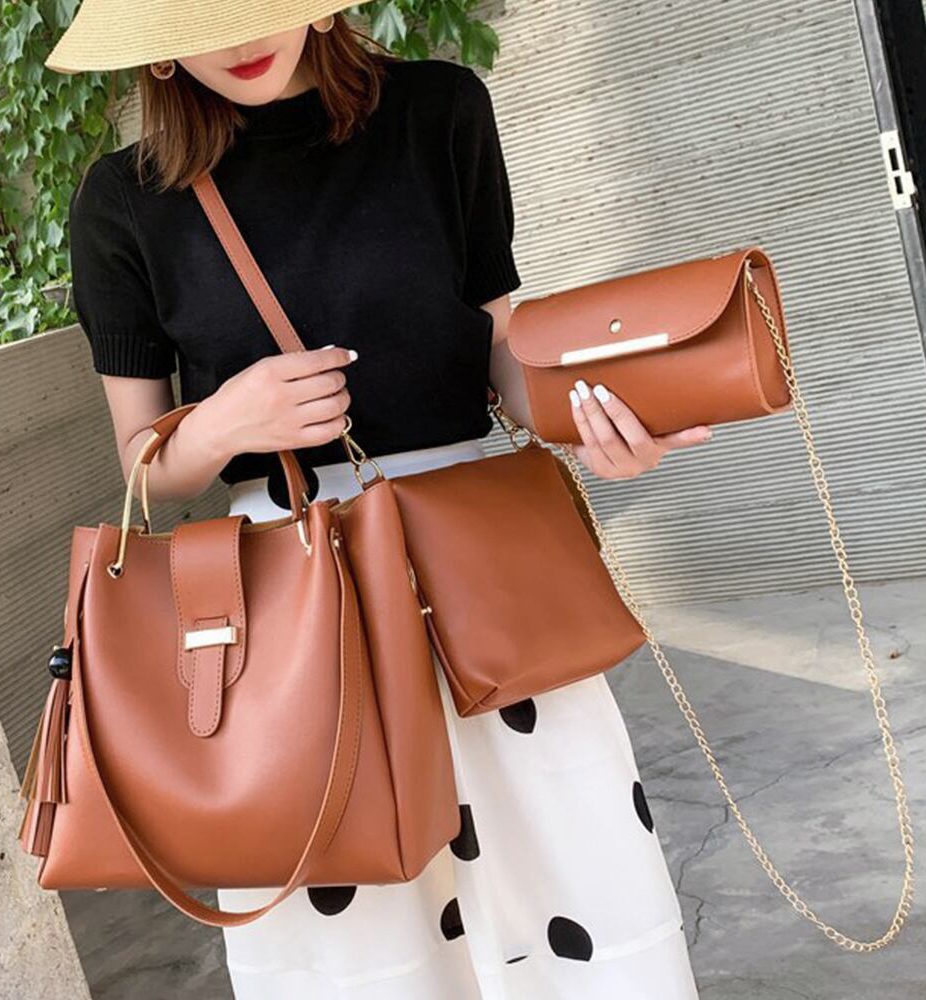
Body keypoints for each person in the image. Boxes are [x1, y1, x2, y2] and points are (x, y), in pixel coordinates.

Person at [52, 2, 710, 997]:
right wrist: (226, 422)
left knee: (568, 879)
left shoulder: (439, 113)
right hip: (289, 605)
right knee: (361, 939)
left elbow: (498, 355)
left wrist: (593, 422)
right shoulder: (124, 201)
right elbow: (146, 464)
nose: (239, 36)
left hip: (477, 574)